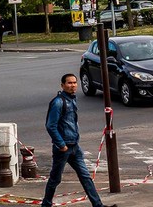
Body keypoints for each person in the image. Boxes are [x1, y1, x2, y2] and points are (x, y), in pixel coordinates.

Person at [42, 74, 116, 207]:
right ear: (62, 85)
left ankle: (98, 205)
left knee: (85, 177)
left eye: (75, 83)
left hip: (74, 146)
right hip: (63, 148)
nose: (73, 85)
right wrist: (61, 144)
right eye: (69, 83)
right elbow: (50, 126)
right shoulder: (58, 102)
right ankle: (46, 204)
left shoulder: (71, 100)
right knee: (55, 179)